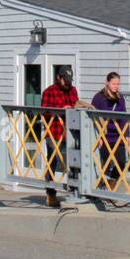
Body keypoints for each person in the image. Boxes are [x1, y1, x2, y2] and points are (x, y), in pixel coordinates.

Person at [40, 66, 78, 208]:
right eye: (65, 80)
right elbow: (44, 112)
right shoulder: (49, 92)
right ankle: (51, 194)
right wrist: (61, 110)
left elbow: (76, 104)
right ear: (58, 77)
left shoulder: (73, 90)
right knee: (53, 161)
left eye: (69, 80)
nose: (67, 83)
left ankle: (75, 191)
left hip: (70, 133)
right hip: (54, 132)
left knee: (74, 161)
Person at [91, 72, 127, 185]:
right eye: (113, 84)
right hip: (104, 135)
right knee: (104, 162)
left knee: (121, 162)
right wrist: (98, 136)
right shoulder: (98, 98)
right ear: (107, 83)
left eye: (118, 84)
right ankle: (102, 186)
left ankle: (112, 182)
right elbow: (94, 118)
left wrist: (127, 134)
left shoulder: (120, 98)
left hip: (118, 135)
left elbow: (124, 117)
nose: (116, 86)